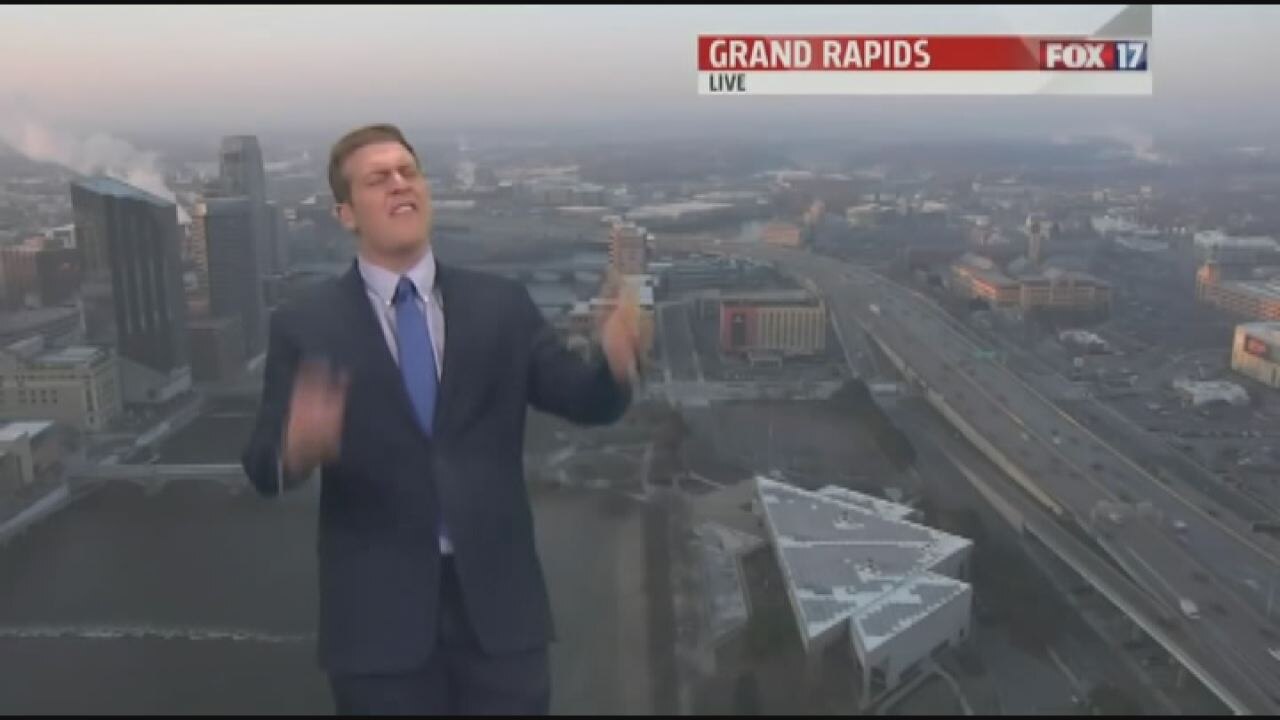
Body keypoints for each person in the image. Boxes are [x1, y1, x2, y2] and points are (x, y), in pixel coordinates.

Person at [240, 123, 645, 715]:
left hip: (501, 619)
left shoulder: (501, 305)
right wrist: (295, 448)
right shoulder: (306, 325)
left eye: (409, 171)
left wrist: (613, 366)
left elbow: (586, 402)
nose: (400, 183)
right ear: (346, 214)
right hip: (377, 629)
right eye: (378, 178)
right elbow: (262, 468)